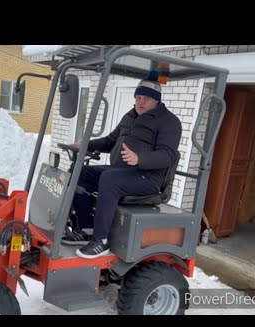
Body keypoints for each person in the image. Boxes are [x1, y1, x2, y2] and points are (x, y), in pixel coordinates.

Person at [70, 79, 182, 259]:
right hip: (121, 172)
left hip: (148, 178)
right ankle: (87, 227)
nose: (140, 102)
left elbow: (167, 155)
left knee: (109, 178)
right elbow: (110, 141)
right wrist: (85, 145)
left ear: (157, 100)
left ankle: (101, 241)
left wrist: (139, 159)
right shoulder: (130, 116)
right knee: (81, 172)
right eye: (138, 97)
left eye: (145, 98)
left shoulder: (169, 122)